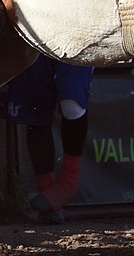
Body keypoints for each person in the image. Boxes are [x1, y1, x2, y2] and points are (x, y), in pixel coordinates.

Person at [5, 56, 94, 224]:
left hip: (75, 39)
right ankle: (49, 201)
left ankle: (69, 182)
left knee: (73, 106)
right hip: (34, 41)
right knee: (35, 114)